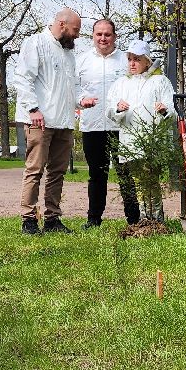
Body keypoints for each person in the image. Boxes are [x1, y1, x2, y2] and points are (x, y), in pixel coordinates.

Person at [9, 7, 83, 235]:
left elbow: (73, 86)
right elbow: (23, 78)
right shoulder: (36, 43)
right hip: (39, 120)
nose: (78, 35)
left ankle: (52, 219)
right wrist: (33, 108)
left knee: (57, 172)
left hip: (64, 121)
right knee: (35, 170)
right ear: (62, 24)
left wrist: (82, 100)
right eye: (75, 30)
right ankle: (29, 219)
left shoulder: (68, 53)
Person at [108, 39, 176, 225]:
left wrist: (164, 110)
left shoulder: (160, 81)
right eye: (129, 59)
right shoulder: (121, 83)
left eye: (137, 59)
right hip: (130, 142)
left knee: (151, 180)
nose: (132, 63)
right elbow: (110, 111)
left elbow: (172, 111)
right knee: (138, 182)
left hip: (153, 142)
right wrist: (118, 109)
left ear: (147, 61)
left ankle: (157, 220)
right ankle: (145, 220)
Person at [74, 17, 127, 227]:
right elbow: (74, 88)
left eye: (107, 34)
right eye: (99, 34)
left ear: (114, 36)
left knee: (126, 173)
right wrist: (81, 100)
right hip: (92, 126)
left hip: (122, 126)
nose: (103, 38)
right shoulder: (82, 61)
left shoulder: (125, 60)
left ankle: (133, 218)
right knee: (96, 174)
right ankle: (94, 218)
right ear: (93, 36)